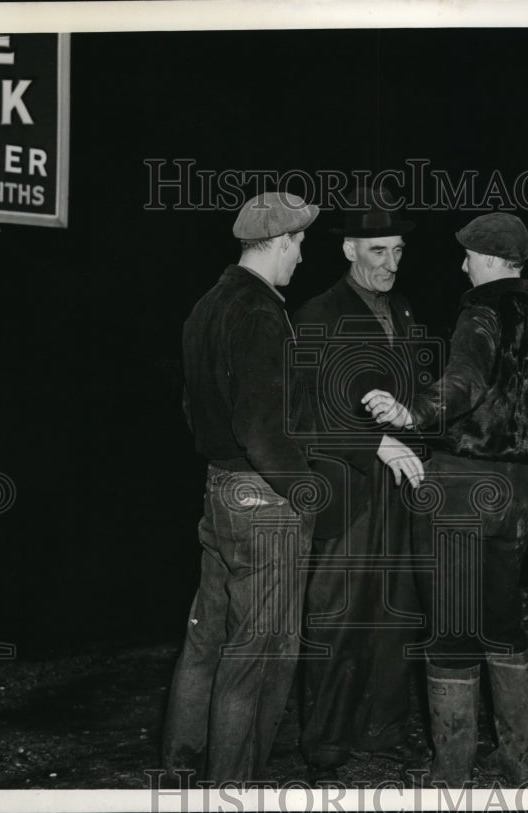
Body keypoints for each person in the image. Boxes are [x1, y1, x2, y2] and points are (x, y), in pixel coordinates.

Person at [363, 213, 528, 786]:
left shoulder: (479, 312)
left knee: (451, 628)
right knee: (502, 622)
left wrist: (411, 413)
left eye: (469, 255)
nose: (462, 264)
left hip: (458, 488)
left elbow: (465, 382)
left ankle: (451, 771)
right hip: (518, 492)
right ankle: (516, 761)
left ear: (490, 259)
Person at [162, 191, 321, 783]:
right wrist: (304, 494)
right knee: (258, 658)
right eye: (299, 244)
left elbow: (191, 403)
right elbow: (260, 427)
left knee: (205, 644)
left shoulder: (207, 305)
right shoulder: (259, 312)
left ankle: (182, 771)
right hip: (263, 500)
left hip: (220, 491)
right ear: (279, 242)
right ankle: (233, 789)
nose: (301, 257)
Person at [292, 187, 427, 783]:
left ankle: (385, 732)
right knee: (336, 617)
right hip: (344, 494)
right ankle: (325, 743)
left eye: (398, 250)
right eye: (377, 250)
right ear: (348, 249)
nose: (390, 263)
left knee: (395, 615)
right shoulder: (316, 315)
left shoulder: (403, 313)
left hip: (398, 494)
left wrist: (411, 410)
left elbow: (420, 395)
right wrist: (372, 437)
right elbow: (302, 417)